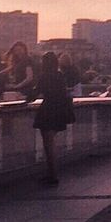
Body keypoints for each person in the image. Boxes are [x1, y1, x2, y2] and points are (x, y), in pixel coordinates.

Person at [31, 51, 75, 185]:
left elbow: (35, 93)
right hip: (59, 111)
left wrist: (23, 98)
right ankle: (52, 173)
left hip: (47, 111)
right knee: (51, 144)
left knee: (48, 144)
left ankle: (52, 174)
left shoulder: (44, 76)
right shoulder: (60, 75)